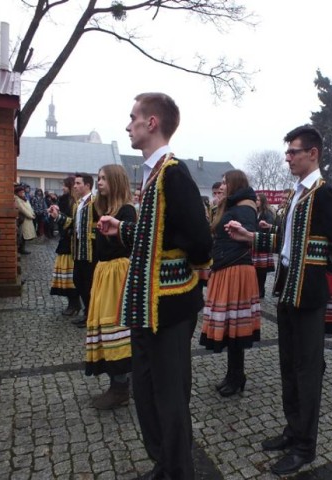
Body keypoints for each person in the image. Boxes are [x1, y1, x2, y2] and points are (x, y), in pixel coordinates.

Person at [226, 125, 332, 475]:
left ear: (312, 154)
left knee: (307, 371)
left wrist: (318, 269)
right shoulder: (296, 195)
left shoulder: (323, 194)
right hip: (287, 291)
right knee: (289, 367)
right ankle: (292, 430)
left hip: (308, 296)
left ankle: (305, 446)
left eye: (293, 151)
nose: (288, 157)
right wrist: (249, 237)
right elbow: (286, 245)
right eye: (287, 151)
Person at [97, 92, 212, 480]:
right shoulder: (153, 173)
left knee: (169, 396)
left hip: (170, 307)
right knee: (148, 394)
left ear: (152, 123)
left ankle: (178, 470)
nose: (127, 125)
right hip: (147, 308)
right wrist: (124, 228)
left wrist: (189, 272)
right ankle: (163, 463)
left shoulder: (174, 172)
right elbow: (160, 234)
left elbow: (198, 240)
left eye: (132, 118)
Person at [200, 170, 260, 397]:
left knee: (235, 328)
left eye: (225, 182)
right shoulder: (234, 205)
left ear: (235, 184)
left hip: (235, 270)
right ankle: (232, 374)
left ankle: (237, 376)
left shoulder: (244, 207)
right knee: (230, 327)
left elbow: (245, 239)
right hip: (226, 268)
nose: (221, 186)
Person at [85, 165, 136, 409]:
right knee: (106, 326)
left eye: (104, 178)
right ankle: (119, 384)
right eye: (98, 178)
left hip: (118, 273)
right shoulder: (102, 209)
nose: (100, 182)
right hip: (104, 272)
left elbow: (126, 243)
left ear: (115, 181)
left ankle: (121, 387)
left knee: (116, 326)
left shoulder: (126, 211)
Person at [49, 173, 97, 328]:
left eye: (78, 183)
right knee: (79, 282)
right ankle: (87, 312)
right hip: (78, 253)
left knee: (89, 285)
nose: (74, 186)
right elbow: (72, 224)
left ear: (87, 185)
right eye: (74, 183)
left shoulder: (95, 203)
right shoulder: (78, 204)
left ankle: (90, 315)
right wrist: (58, 216)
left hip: (90, 254)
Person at [49, 177, 82, 317]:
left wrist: (59, 216)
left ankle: (74, 304)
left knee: (70, 277)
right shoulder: (65, 200)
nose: (62, 188)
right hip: (66, 243)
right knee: (66, 276)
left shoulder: (74, 202)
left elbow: (72, 222)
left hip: (71, 245)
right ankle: (73, 303)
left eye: (64, 185)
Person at [252, 192, 275, 299]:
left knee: (262, 270)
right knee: (255, 269)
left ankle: (261, 290)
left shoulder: (267, 213)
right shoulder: (254, 212)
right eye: (255, 199)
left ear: (262, 201)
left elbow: (268, 228)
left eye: (258, 200)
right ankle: (256, 289)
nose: (256, 201)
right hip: (256, 243)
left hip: (263, 244)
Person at [15, 184, 36, 254]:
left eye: (23, 192)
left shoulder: (25, 199)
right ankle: (21, 249)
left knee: (24, 235)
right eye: (21, 192)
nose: (22, 193)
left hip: (27, 220)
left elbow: (29, 207)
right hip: (23, 219)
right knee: (22, 235)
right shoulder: (17, 199)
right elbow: (22, 209)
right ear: (17, 193)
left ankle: (22, 248)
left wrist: (33, 213)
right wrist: (31, 216)